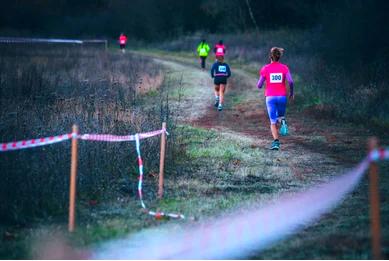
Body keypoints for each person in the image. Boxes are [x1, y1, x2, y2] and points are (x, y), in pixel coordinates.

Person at [257, 47, 294, 150]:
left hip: (270, 98)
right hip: (282, 97)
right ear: (279, 57)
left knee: (273, 121)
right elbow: (291, 81)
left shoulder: (265, 68)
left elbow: (259, 85)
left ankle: (276, 143)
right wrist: (291, 92)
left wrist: (264, 82)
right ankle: (283, 121)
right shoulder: (284, 68)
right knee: (281, 115)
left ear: (270, 56)